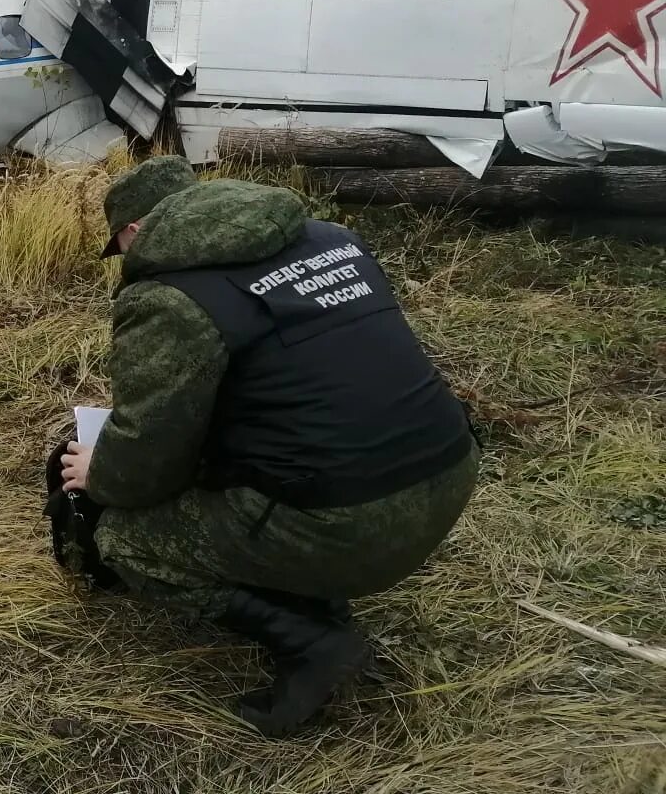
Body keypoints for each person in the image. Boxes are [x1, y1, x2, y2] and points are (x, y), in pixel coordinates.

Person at [45, 156, 479, 738]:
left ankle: (316, 642)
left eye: (121, 249)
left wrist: (102, 470)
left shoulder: (170, 297)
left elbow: (144, 467)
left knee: (127, 538)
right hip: (448, 475)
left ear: (134, 232)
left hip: (351, 522)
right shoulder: (332, 241)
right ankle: (309, 585)